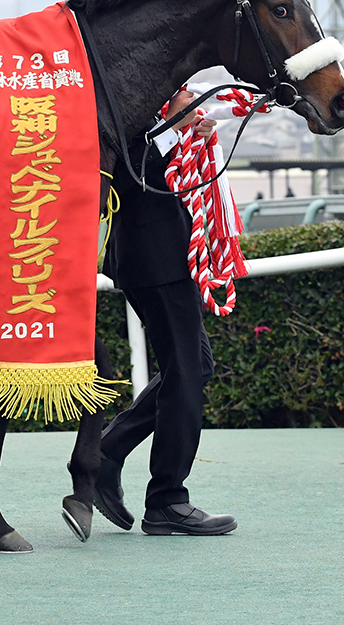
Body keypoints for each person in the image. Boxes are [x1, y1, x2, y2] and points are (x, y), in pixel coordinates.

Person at [94, 89, 237, 536]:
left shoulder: (160, 120)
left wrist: (188, 136)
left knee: (196, 366)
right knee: (186, 371)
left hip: (167, 257)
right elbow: (128, 167)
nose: (195, 96)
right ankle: (167, 500)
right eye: (186, 93)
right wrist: (176, 133)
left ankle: (109, 451)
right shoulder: (130, 111)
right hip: (151, 257)